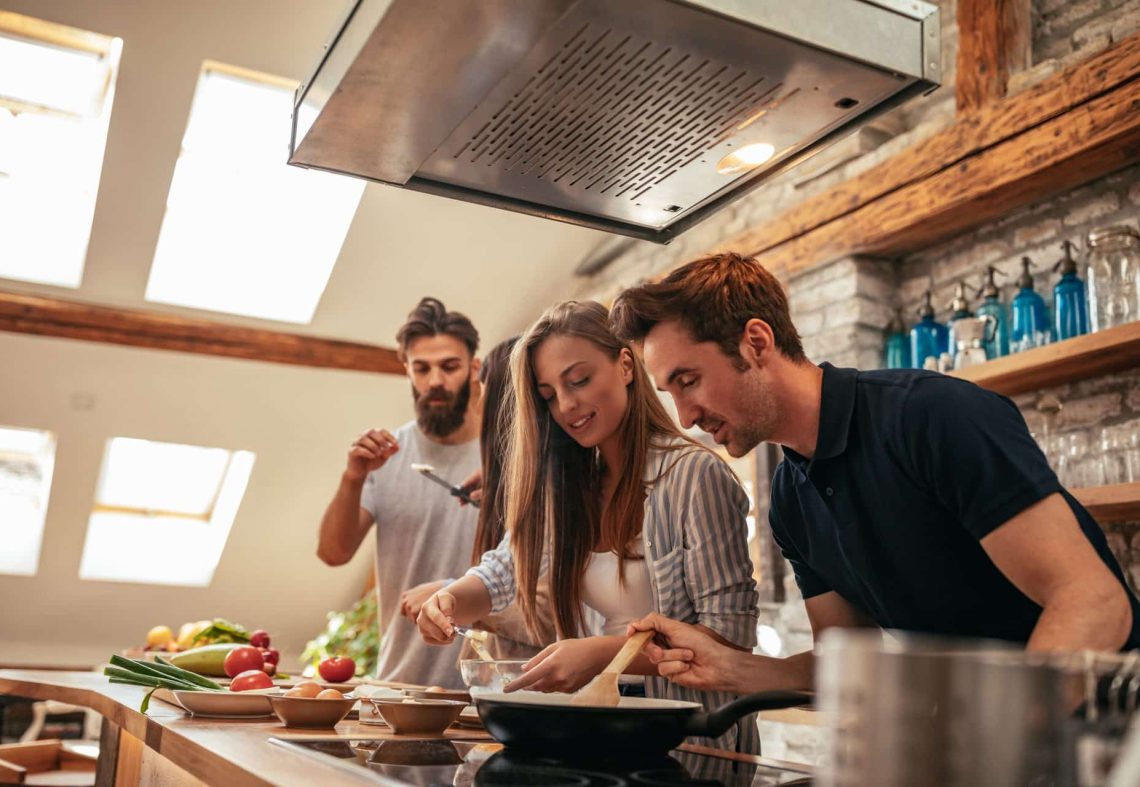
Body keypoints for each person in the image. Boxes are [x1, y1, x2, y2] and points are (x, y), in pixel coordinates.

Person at [608, 252, 1140, 695]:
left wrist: (995, 746)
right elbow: (848, 664)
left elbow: (1092, 600)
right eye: (671, 392)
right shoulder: (790, 499)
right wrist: (730, 667)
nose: (686, 417)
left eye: (689, 380)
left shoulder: (928, 416)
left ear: (757, 342)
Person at [416, 301, 762, 754]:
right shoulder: (569, 487)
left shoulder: (693, 476)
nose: (566, 405)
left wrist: (603, 653)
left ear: (624, 365)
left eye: (579, 380)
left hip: (692, 740)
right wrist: (449, 601)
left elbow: (729, 639)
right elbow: (502, 570)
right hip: (598, 733)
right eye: (548, 394)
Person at [317, 297, 482, 689]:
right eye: (422, 368)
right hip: (399, 686)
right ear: (406, 369)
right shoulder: (386, 455)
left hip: (484, 688)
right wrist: (353, 476)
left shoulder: (507, 455)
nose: (435, 381)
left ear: (474, 368)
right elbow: (333, 553)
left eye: (450, 366)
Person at [401, 338, 557, 660]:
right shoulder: (523, 490)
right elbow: (500, 573)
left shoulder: (558, 497)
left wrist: (450, 590)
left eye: (484, 396)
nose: (477, 407)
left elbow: (548, 619)